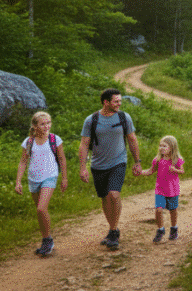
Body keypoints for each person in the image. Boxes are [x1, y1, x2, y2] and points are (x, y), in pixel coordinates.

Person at [79, 88, 142, 251]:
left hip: (118, 162)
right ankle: (112, 228)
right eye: (116, 101)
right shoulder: (91, 120)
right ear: (106, 102)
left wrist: (137, 161)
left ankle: (113, 231)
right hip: (98, 165)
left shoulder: (123, 117)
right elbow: (84, 144)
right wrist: (82, 167)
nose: (119, 104)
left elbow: (132, 139)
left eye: (120, 101)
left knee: (114, 194)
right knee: (105, 198)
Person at [14, 111, 68, 256]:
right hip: (33, 179)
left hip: (50, 176)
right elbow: (23, 162)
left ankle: (47, 241)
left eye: (48, 123)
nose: (46, 126)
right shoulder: (28, 142)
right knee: (40, 211)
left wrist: (64, 178)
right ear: (35, 126)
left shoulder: (55, 139)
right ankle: (47, 239)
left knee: (41, 209)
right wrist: (18, 181)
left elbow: (62, 159)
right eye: (43, 124)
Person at [138, 135, 185, 243]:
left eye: (165, 146)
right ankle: (160, 230)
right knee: (158, 209)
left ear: (172, 147)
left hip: (173, 190)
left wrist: (174, 170)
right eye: (160, 146)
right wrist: (140, 172)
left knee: (173, 210)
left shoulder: (177, 160)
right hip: (160, 190)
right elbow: (150, 171)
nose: (161, 148)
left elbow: (182, 171)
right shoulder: (157, 160)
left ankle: (174, 229)